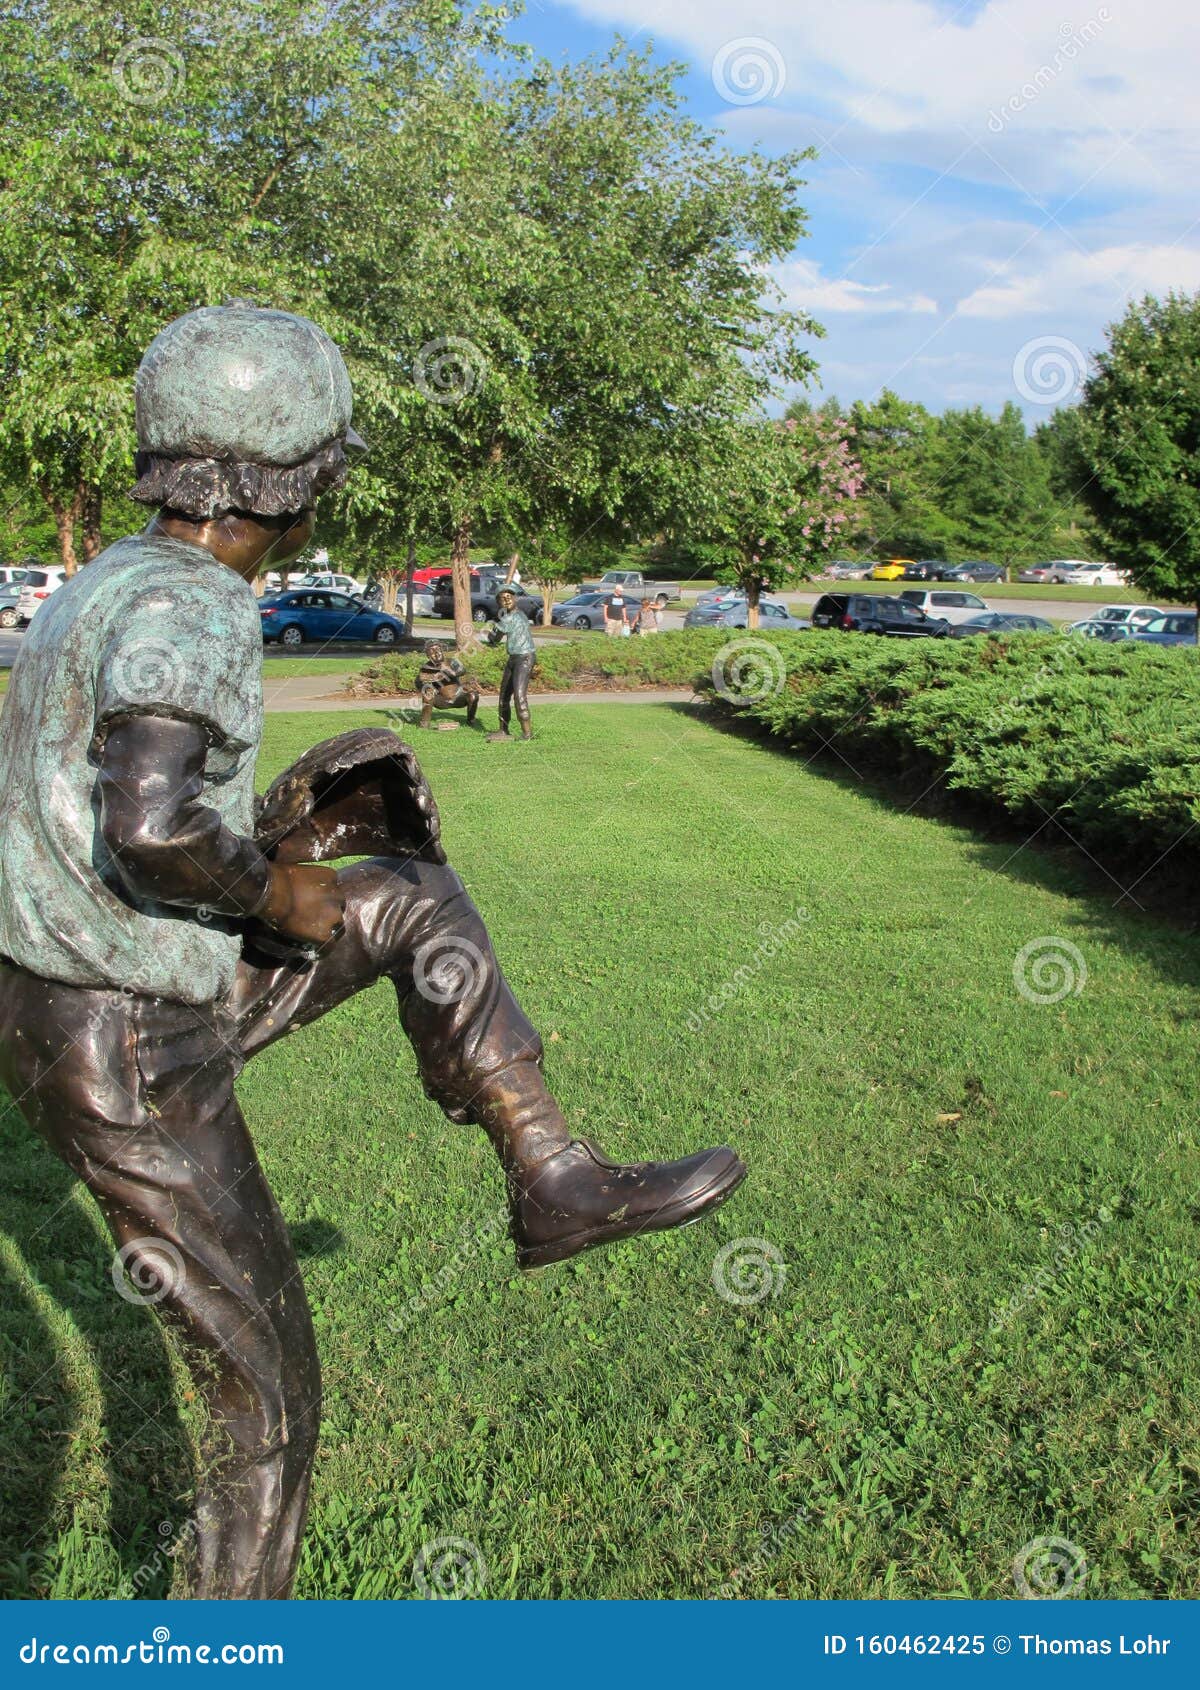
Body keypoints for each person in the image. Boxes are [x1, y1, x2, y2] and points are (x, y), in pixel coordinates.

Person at [0, 303, 745, 1600]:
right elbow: (152, 819)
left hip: (81, 992)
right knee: (269, 1390)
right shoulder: (197, 607)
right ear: (281, 481)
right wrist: (275, 888)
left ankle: (551, 1173)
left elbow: (106, 801)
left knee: (402, 890)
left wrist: (278, 832)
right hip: (123, 1030)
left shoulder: (107, 582)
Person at [485, 584, 537, 740]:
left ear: (515, 598)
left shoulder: (511, 617)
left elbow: (494, 639)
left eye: (509, 597)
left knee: (519, 696)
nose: (506, 600)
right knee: (503, 696)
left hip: (524, 658)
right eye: (503, 598)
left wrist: (492, 630)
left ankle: (527, 733)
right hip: (514, 658)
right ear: (499, 602)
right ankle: (503, 730)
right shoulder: (517, 614)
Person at [416, 638, 480, 728]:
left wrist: (447, 673)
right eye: (432, 652)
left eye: (438, 650)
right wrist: (426, 682)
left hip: (458, 697)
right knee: (428, 694)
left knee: (473, 695)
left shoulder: (451, 661)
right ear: (428, 655)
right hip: (441, 700)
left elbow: (462, 670)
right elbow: (419, 682)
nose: (436, 653)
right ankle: (424, 723)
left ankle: (471, 721)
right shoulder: (426, 668)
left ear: (442, 650)